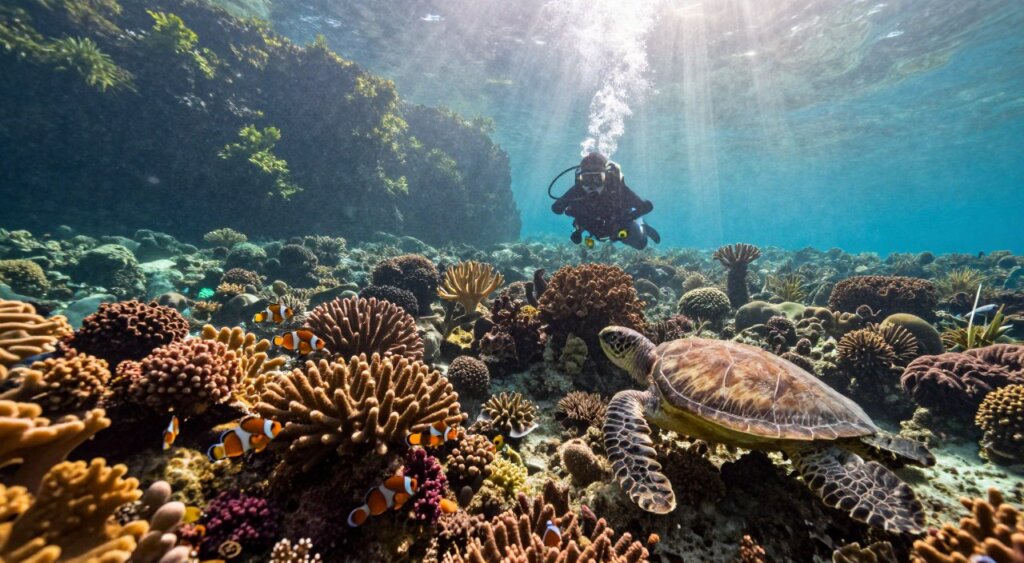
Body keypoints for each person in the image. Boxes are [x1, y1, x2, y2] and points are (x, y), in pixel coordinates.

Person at [549, 152, 659, 249]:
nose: (592, 186)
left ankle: (642, 225)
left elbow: (646, 207)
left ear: (606, 178)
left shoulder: (617, 189)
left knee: (641, 244)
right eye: (587, 180)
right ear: (580, 179)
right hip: (595, 230)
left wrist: (627, 218)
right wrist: (578, 230)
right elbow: (557, 208)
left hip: (620, 227)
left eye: (598, 179)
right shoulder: (578, 190)